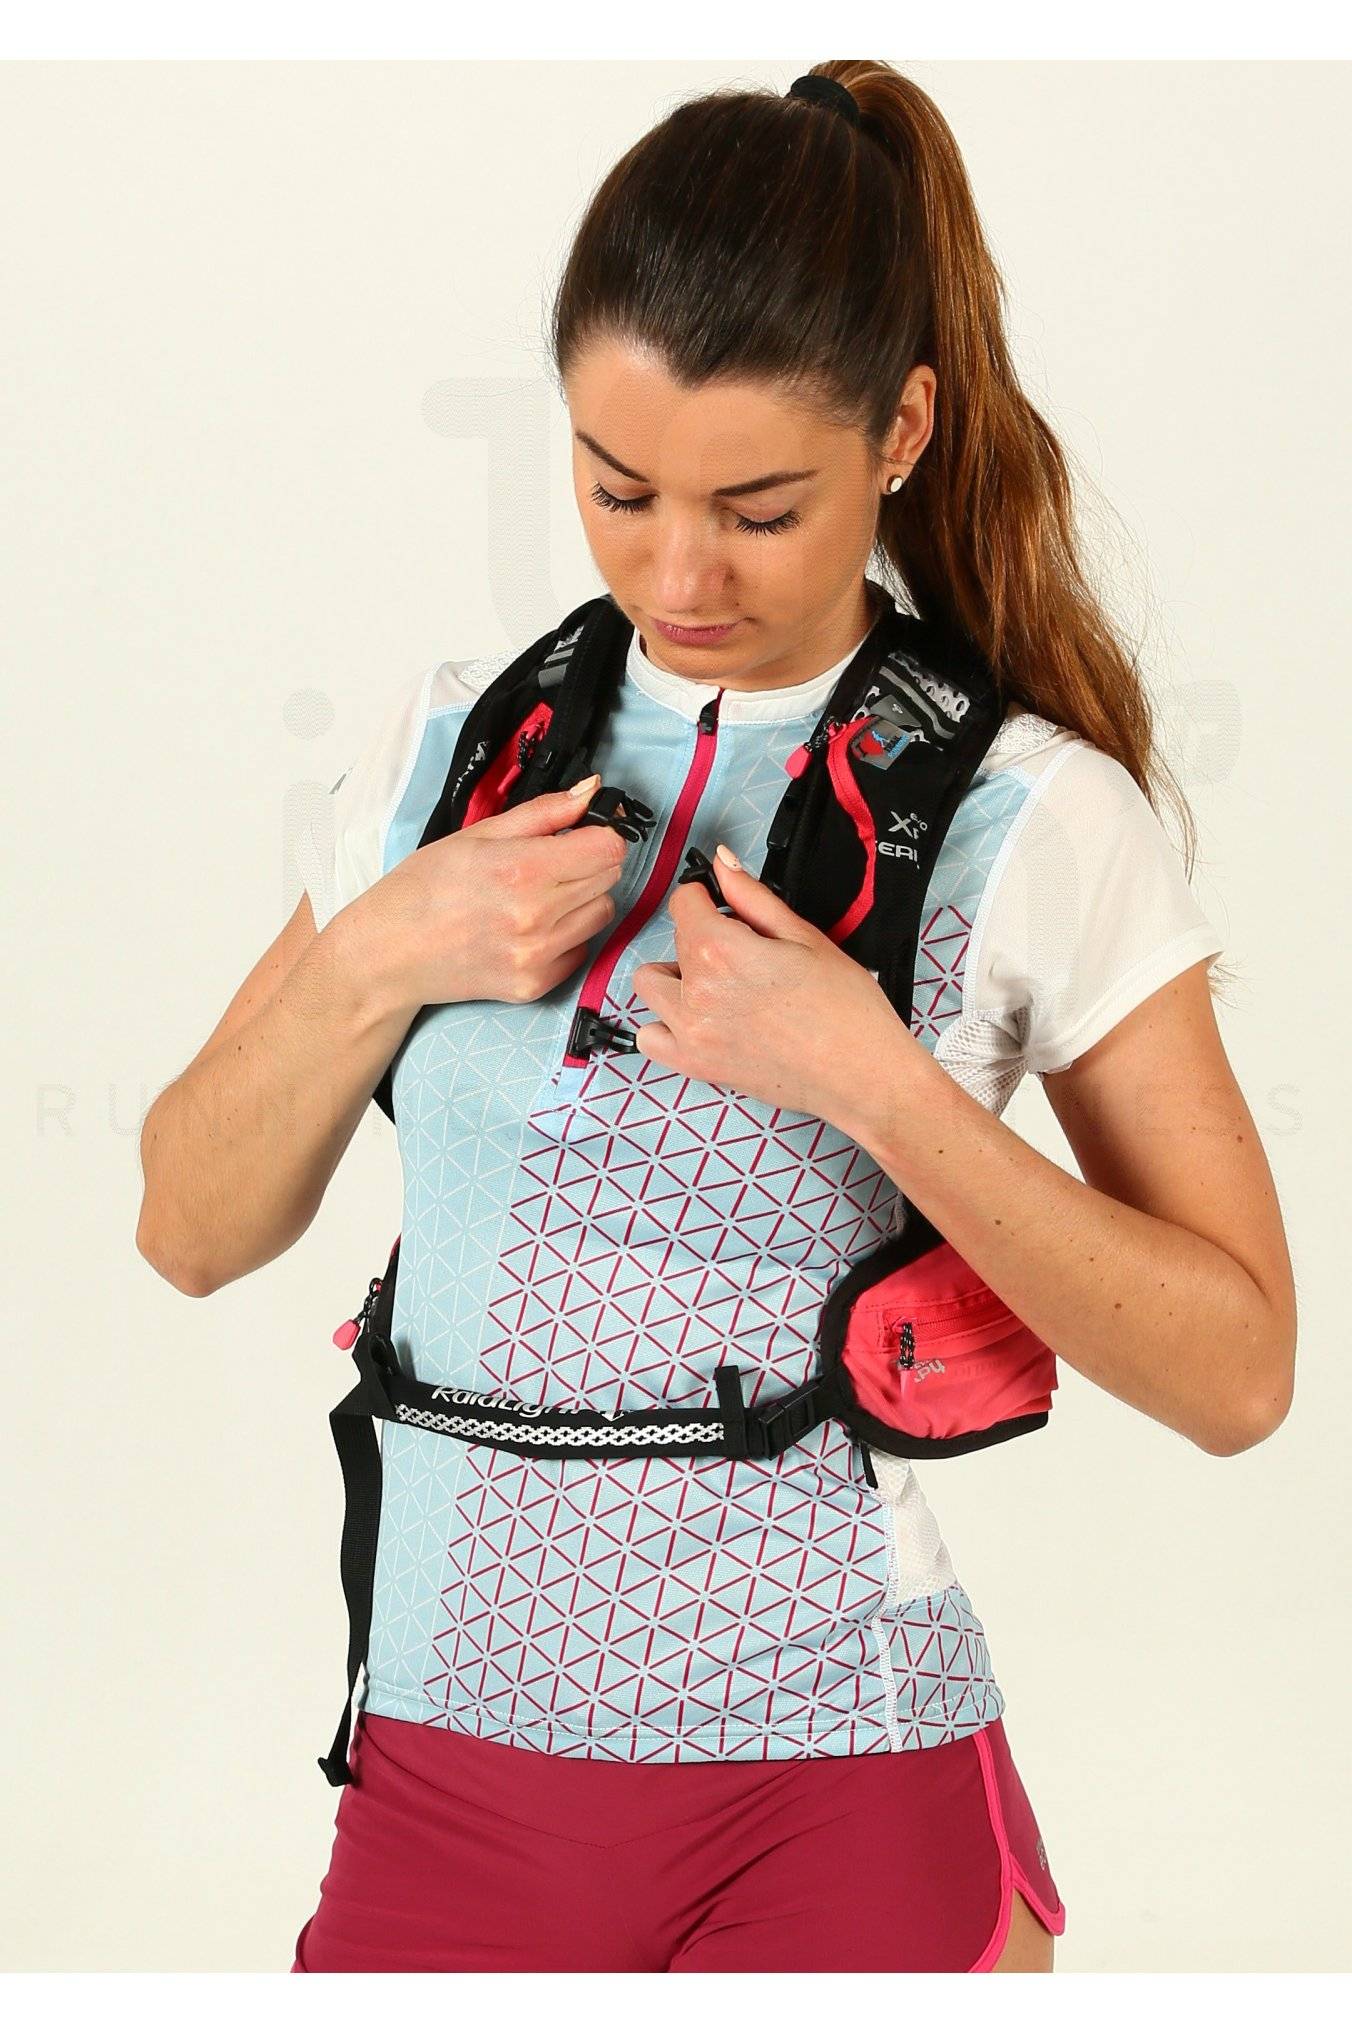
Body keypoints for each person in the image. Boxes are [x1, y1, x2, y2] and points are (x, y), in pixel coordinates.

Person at [136, 63, 1297, 1974]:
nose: (679, 573)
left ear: (902, 428)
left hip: (842, 1777)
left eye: (760, 509)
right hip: (443, 1773)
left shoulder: (1032, 816)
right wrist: (380, 949)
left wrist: (878, 1080)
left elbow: (1240, 1371)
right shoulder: (451, 756)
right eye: (619, 490)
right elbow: (186, 1225)